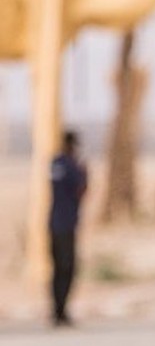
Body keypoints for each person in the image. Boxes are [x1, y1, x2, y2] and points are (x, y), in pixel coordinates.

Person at [49, 129, 88, 327]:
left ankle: (57, 310)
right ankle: (60, 311)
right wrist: (84, 173)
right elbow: (81, 190)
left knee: (57, 269)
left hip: (54, 223)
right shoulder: (73, 166)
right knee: (67, 268)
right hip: (66, 224)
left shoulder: (55, 163)